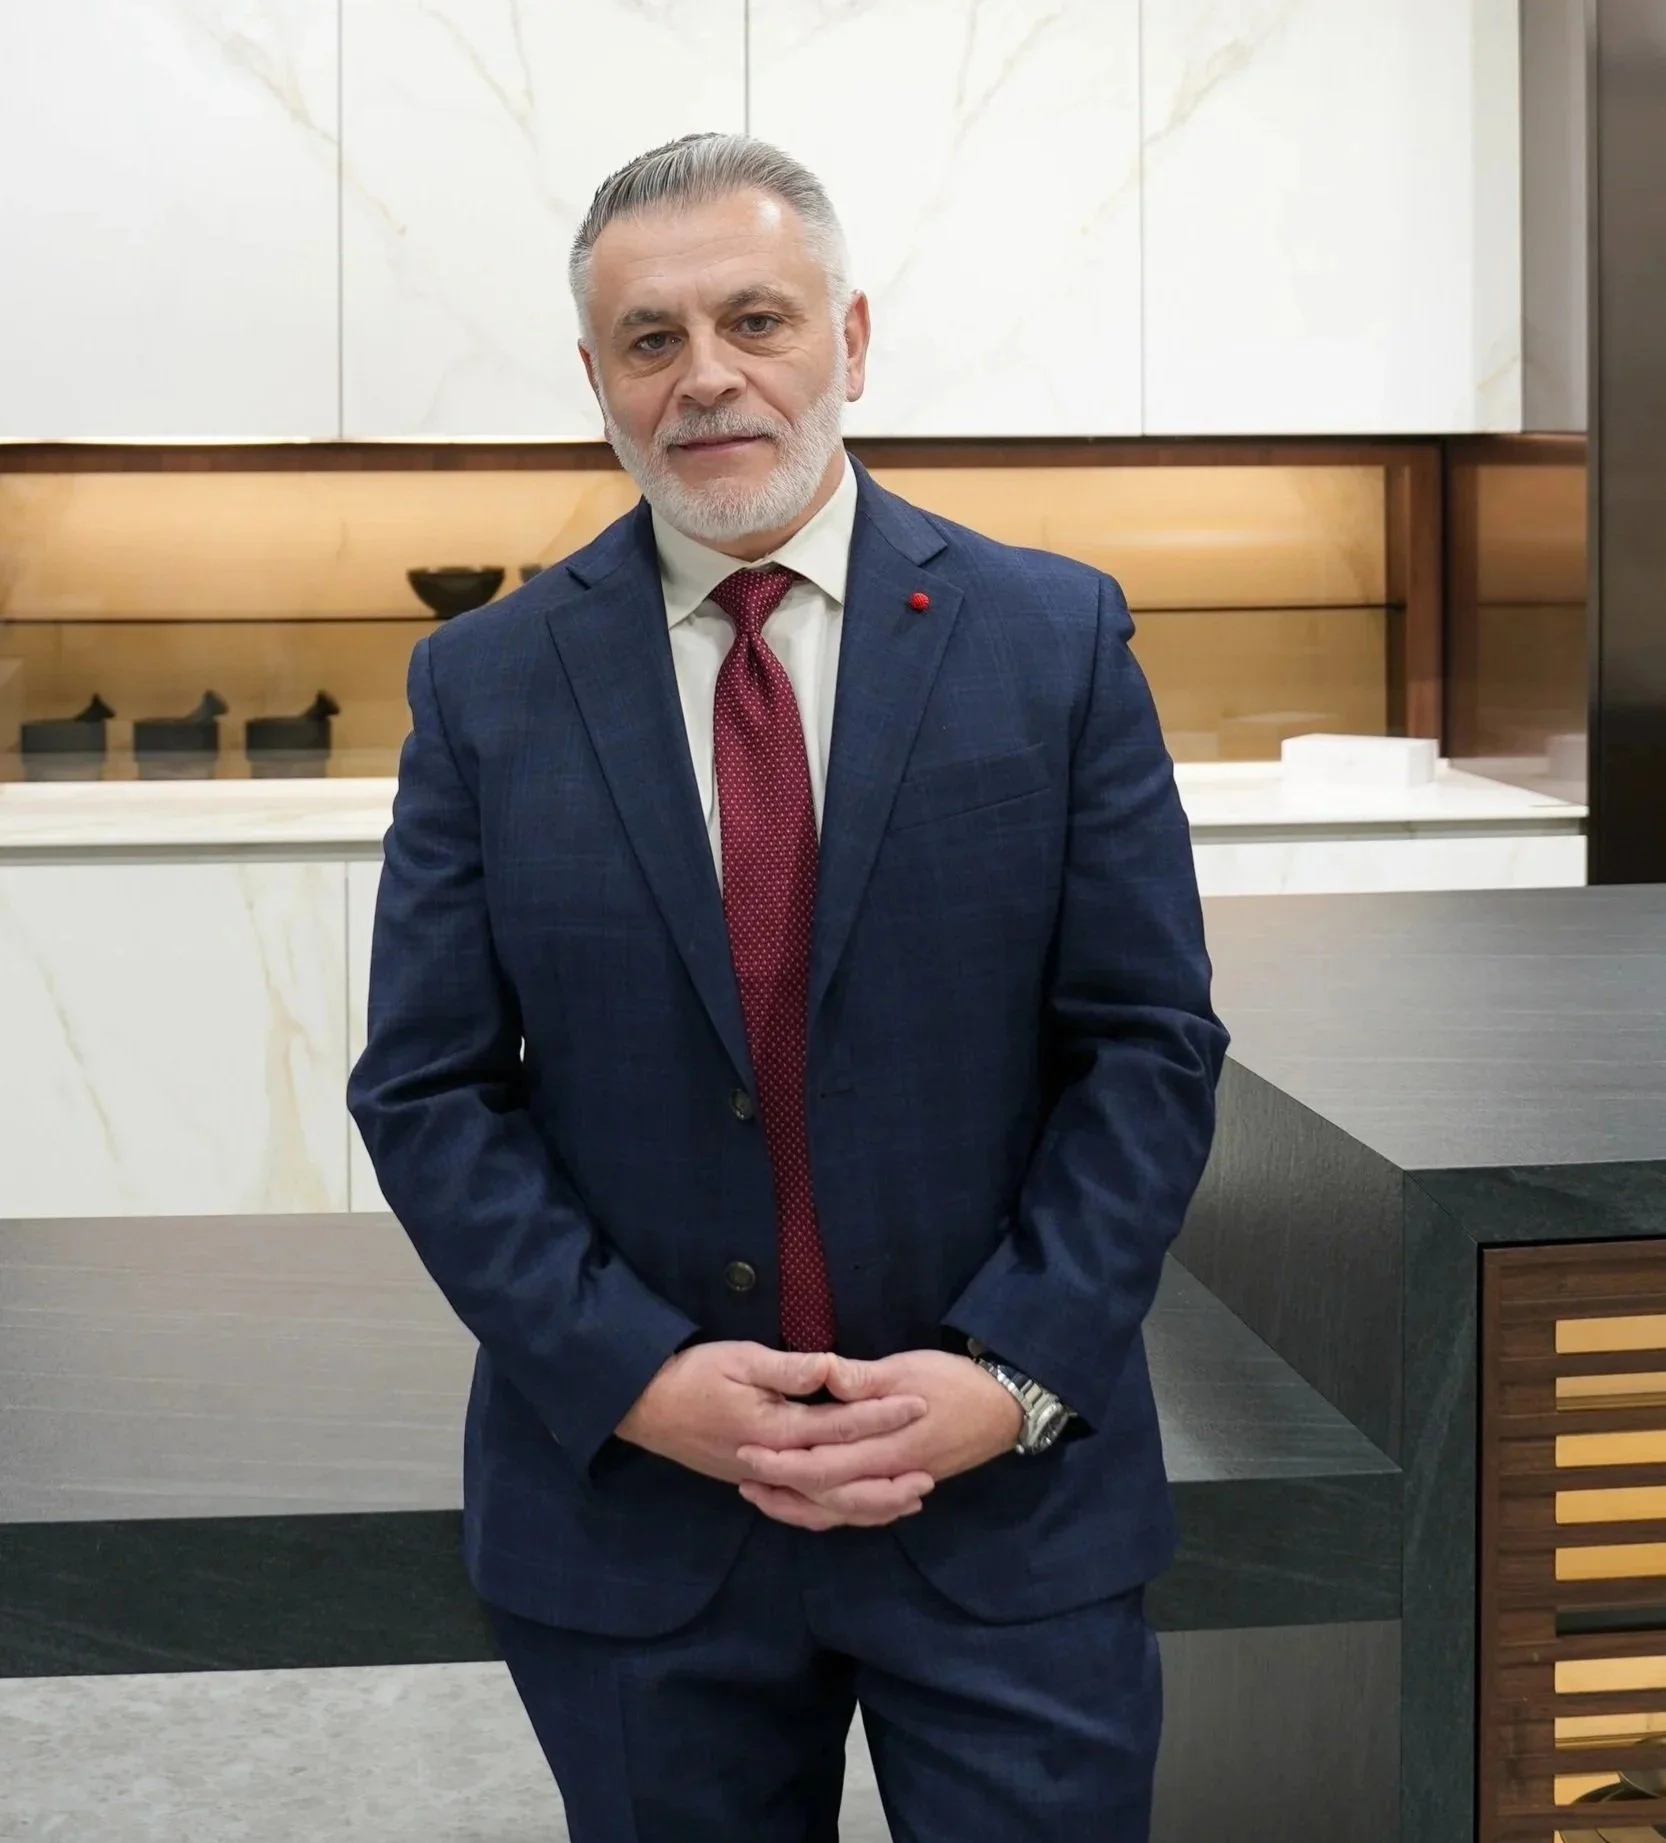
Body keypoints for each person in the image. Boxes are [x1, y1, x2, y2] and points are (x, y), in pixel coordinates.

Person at [348, 132, 1227, 1843]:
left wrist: (1013, 1374)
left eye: (756, 318)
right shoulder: (484, 686)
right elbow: (432, 1090)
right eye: (651, 339)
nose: (709, 378)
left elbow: (1145, 1047)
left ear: (852, 335)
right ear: (594, 377)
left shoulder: (1053, 642)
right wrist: (638, 1375)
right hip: (637, 1524)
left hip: (1002, 1505)